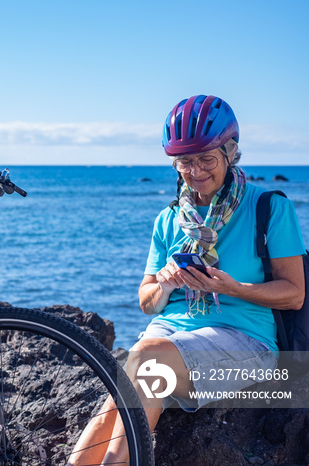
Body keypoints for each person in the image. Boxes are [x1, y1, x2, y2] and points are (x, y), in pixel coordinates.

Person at [68, 95, 306, 465]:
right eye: (184, 162)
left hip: (245, 342)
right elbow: (147, 301)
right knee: (120, 395)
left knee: (143, 361)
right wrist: (164, 283)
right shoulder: (168, 220)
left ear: (231, 152)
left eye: (206, 159)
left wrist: (231, 288)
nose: (195, 171)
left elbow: (294, 295)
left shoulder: (269, 208)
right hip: (167, 338)